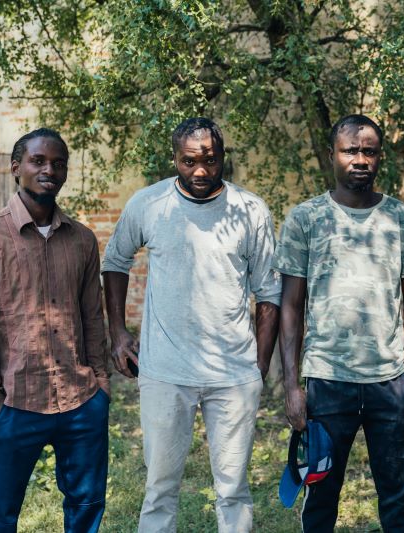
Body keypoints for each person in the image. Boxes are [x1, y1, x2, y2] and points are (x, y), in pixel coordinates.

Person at [101, 117, 281, 533]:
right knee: (160, 487)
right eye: (189, 162)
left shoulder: (250, 209)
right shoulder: (149, 203)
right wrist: (119, 333)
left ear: (222, 158)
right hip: (165, 372)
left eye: (210, 160)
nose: (201, 171)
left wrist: (259, 366)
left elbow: (269, 291)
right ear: (175, 159)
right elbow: (114, 262)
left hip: (234, 375)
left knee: (233, 489)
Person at [275, 114, 404, 532]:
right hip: (327, 382)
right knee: (320, 496)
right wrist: (293, 386)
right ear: (332, 156)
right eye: (350, 150)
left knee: (398, 498)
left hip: (389, 383)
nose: (360, 159)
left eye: (369, 151)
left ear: (380, 157)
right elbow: (290, 306)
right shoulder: (305, 219)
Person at [0, 128, 111, 533]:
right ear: (16, 168)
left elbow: (92, 317)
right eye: (38, 161)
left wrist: (100, 382)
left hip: (82, 401)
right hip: (16, 403)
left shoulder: (82, 240)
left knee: (86, 505)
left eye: (58, 163)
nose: (50, 169)